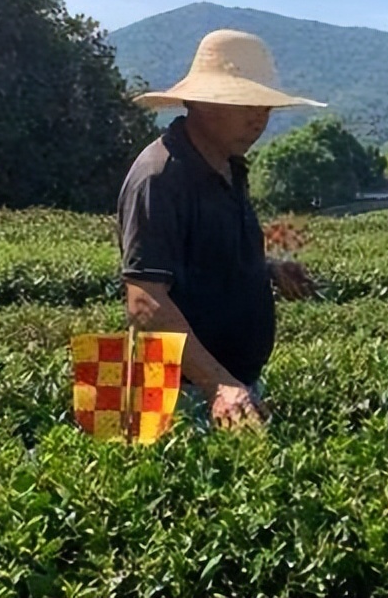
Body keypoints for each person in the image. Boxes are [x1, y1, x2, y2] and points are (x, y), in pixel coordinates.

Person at [117, 29, 324, 429]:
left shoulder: (229, 167)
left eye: (265, 107)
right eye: (246, 104)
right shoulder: (160, 177)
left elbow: (203, 257)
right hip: (182, 394)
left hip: (231, 387)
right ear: (204, 104)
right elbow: (144, 300)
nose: (259, 119)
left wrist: (268, 269)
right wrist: (217, 386)